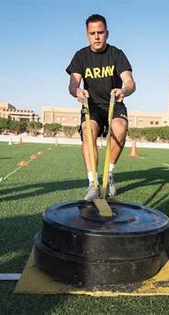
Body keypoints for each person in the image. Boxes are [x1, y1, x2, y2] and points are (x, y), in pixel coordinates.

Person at [66, 14, 136, 201]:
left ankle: (108, 175)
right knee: (88, 130)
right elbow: (73, 84)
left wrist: (124, 90)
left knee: (120, 128)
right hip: (93, 106)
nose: (97, 36)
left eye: (100, 32)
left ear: (107, 33)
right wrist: (77, 91)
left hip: (114, 103)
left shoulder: (116, 54)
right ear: (87, 35)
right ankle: (92, 183)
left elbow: (130, 82)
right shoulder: (81, 56)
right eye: (92, 33)